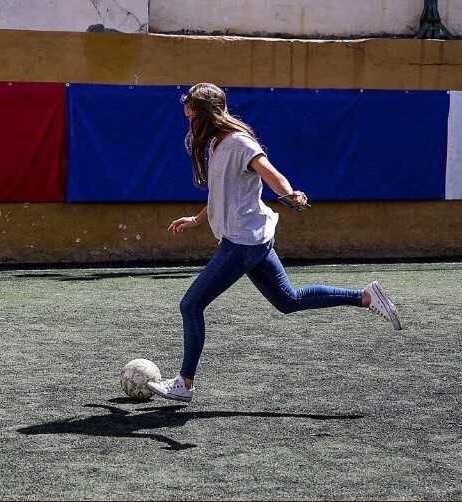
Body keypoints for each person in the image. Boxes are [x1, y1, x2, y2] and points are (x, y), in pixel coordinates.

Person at [147, 83, 401, 403]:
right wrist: (197, 220)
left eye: (193, 118)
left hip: (242, 243)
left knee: (191, 305)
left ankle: (184, 383)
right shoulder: (214, 144)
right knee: (289, 300)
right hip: (253, 238)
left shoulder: (240, 142)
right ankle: (365, 297)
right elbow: (222, 192)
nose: (190, 124)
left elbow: (271, 173)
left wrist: (289, 193)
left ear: (209, 115)